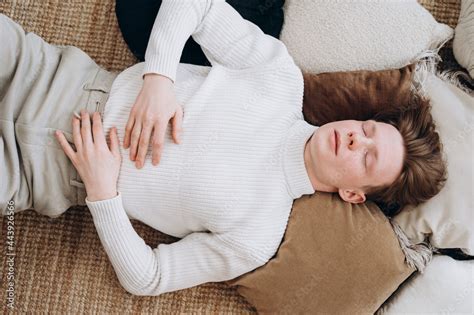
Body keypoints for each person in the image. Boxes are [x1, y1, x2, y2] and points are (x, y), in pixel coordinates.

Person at [0, 0, 447, 297]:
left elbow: (147, 278)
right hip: (52, 72)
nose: (356, 138)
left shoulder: (257, 236)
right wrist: (160, 78)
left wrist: (102, 194)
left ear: (354, 194)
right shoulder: (278, 76)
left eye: (367, 157)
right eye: (368, 129)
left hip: (38, 174)